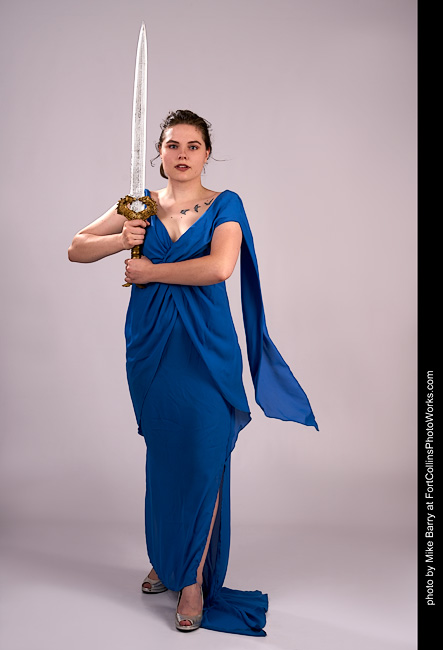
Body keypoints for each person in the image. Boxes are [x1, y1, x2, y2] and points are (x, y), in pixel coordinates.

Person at [68, 109, 318, 636]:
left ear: (207, 154)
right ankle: (168, 558)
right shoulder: (137, 204)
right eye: (172, 145)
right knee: (165, 458)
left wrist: (151, 270)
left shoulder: (226, 204)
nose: (182, 154)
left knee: (204, 457)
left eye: (193, 146)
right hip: (152, 348)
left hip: (206, 349)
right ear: (159, 154)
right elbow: (76, 248)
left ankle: (192, 582)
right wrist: (120, 240)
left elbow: (219, 267)